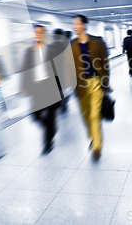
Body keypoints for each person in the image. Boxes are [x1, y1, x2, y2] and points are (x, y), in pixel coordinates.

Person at [70, 15, 110, 161]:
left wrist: (105, 81)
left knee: (94, 116)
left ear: (84, 25)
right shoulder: (72, 44)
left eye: (77, 24)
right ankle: (93, 136)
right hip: (80, 85)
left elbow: (105, 63)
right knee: (86, 115)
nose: (75, 26)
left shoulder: (97, 42)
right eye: (73, 24)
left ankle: (97, 147)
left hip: (96, 83)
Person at [21, 25, 61, 154]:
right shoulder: (29, 51)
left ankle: (47, 143)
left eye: (41, 33)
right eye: (36, 33)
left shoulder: (52, 50)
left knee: (50, 114)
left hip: (49, 87)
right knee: (35, 115)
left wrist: (60, 88)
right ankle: (51, 127)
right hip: (35, 87)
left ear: (45, 35)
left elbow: (59, 69)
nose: (38, 35)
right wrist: (24, 87)